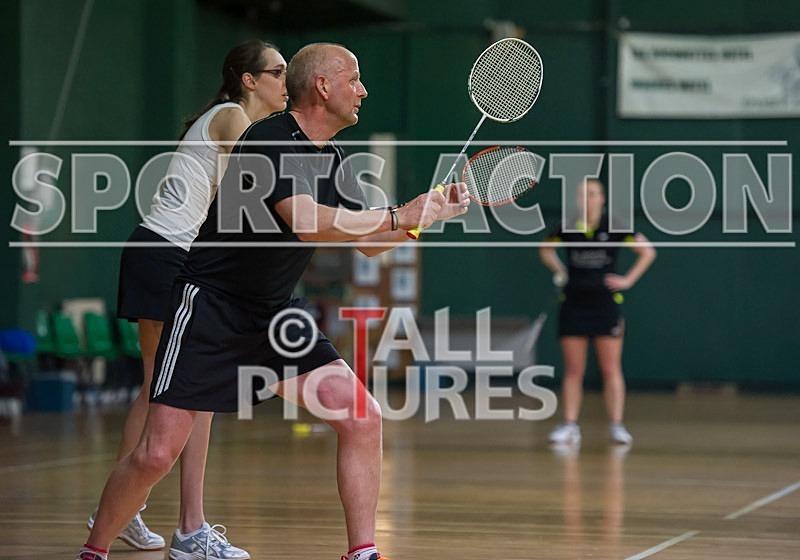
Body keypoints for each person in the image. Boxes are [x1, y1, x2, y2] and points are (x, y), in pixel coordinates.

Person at [75, 42, 470, 560]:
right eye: (354, 78)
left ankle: (363, 551)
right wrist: (399, 213)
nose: (363, 90)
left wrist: (425, 218)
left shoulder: (331, 158)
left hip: (273, 314)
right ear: (323, 87)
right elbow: (307, 223)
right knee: (154, 455)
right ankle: (95, 549)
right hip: (210, 308)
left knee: (362, 417)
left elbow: (369, 241)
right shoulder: (267, 138)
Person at [99, 39, 289, 559]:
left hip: (167, 256)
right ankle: (188, 531)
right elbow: (254, 197)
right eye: (278, 70)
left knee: (158, 389)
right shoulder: (232, 118)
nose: (287, 79)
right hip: (166, 253)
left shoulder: (240, 123)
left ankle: (122, 511)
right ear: (250, 81)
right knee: (188, 388)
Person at [539, 179, 655, 446]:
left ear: (601, 199)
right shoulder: (567, 227)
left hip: (605, 304)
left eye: (591, 194)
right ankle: (569, 425)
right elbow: (545, 249)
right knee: (573, 369)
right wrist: (561, 271)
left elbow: (647, 252)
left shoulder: (615, 226)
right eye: (582, 195)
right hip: (574, 303)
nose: (586, 199)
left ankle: (616, 425)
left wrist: (628, 280)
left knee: (611, 368)